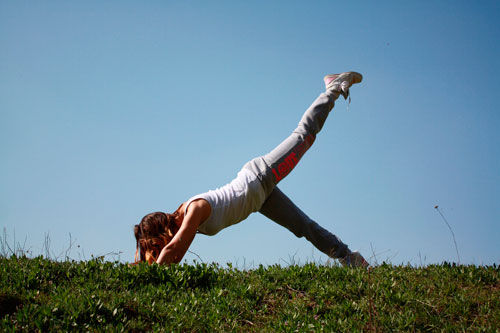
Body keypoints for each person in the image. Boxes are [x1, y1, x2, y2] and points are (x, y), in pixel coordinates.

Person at [134, 71, 369, 268]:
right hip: (259, 199)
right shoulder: (186, 224)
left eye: (156, 244)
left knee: (304, 136)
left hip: (259, 177)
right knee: (303, 226)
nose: (159, 249)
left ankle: (334, 87)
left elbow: (176, 249)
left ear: (162, 230)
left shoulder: (193, 210)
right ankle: (350, 258)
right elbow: (169, 252)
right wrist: (143, 264)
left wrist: (156, 275)